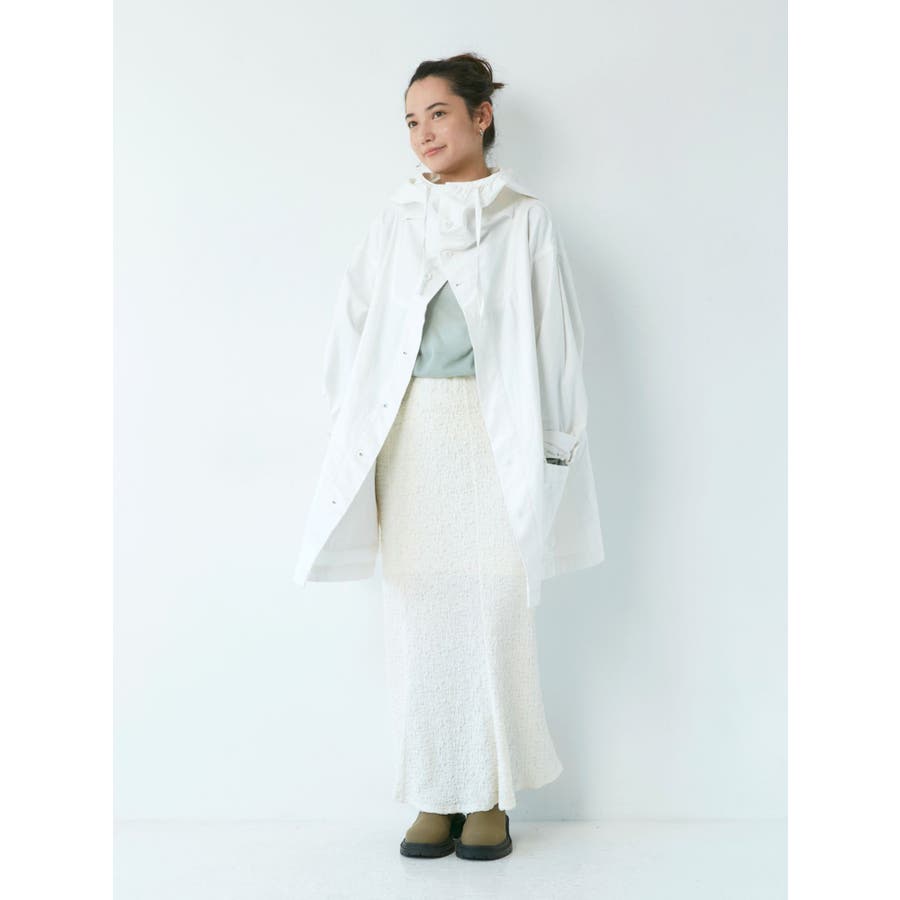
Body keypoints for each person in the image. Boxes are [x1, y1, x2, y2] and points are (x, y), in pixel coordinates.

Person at [293, 51, 606, 861]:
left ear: (480, 116)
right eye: (410, 120)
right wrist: (353, 423)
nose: (423, 132)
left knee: (496, 605)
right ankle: (435, 792)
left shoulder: (525, 219)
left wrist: (555, 451)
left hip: (498, 435)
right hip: (412, 435)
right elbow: (350, 330)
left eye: (437, 113)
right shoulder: (395, 221)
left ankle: (491, 794)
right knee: (420, 610)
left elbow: (557, 343)